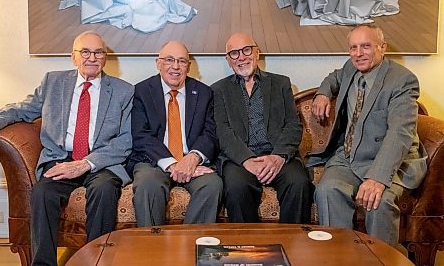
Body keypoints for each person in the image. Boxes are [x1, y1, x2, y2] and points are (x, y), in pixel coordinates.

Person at [0, 31, 134, 266]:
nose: (92, 57)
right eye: (85, 52)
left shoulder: (123, 90)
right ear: (73, 57)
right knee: (42, 192)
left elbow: (125, 140)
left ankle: (97, 261)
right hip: (60, 159)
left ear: (105, 58)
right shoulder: (53, 82)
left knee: (104, 190)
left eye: (99, 52)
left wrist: (84, 164)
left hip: (99, 161)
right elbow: (21, 110)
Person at [311, 24, 427, 246]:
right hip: (349, 156)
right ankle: (338, 256)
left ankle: (380, 260)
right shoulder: (350, 67)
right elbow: (333, 78)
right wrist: (323, 94)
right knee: (327, 189)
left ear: (382, 47)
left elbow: (399, 133)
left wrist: (377, 177)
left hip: (387, 159)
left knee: (379, 200)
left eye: (365, 46)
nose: (358, 53)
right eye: (353, 47)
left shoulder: (402, 80)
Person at [212, 33, 312, 224]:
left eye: (246, 50)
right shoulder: (219, 90)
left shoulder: (281, 83)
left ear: (257, 53)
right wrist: (246, 160)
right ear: (228, 60)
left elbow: (293, 124)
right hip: (239, 158)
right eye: (234, 53)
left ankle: (293, 244)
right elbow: (222, 130)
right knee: (235, 187)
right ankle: (248, 248)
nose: (241, 57)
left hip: (276, 154)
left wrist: (278, 156)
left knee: (298, 183)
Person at [128, 40, 222, 226]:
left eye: (182, 61)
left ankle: (190, 246)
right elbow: (141, 135)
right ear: (158, 63)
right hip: (153, 161)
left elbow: (211, 132)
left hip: (191, 161)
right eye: (169, 60)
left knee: (212, 185)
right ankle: (152, 249)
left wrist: (194, 157)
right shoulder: (141, 91)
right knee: (148, 184)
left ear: (189, 66)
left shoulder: (203, 92)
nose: (176, 67)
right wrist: (172, 164)